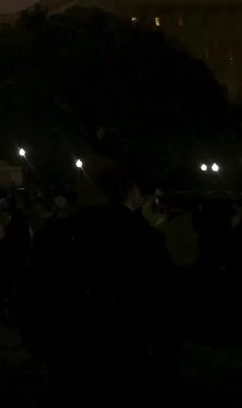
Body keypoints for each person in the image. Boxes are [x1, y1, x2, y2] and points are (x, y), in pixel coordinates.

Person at [19, 161, 179, 402]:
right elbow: (162, 297)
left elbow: (34, 287)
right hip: (125, 346)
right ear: (132, 191)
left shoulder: (58, 233)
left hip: (70, 345)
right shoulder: (143, 237)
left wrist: (40, 339)